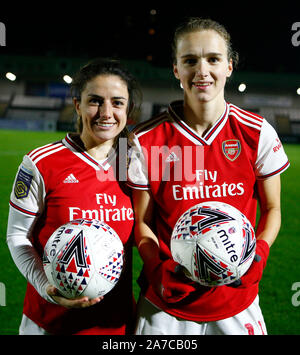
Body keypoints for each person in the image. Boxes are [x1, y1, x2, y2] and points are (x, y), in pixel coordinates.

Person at [127, 17, 290, 335]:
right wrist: (156, 268)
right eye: (190, 60)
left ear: (229, 66)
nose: (202, 71)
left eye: (213, 59)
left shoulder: (256, 133)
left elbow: (273, 210)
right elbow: (141, 221)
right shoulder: (145, 139)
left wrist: (260, 254)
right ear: (176, 69)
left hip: (237, 303)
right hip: (166, 308)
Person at [6, 58, 142, 335]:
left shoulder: (136, 164)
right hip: (50, 323)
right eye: (95, 101)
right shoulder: (42, 163)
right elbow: (17, 236)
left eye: (117, 102)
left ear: (127, 109)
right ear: (78, 104)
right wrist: (47, 289)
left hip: (115, 324)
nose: (106, 112)